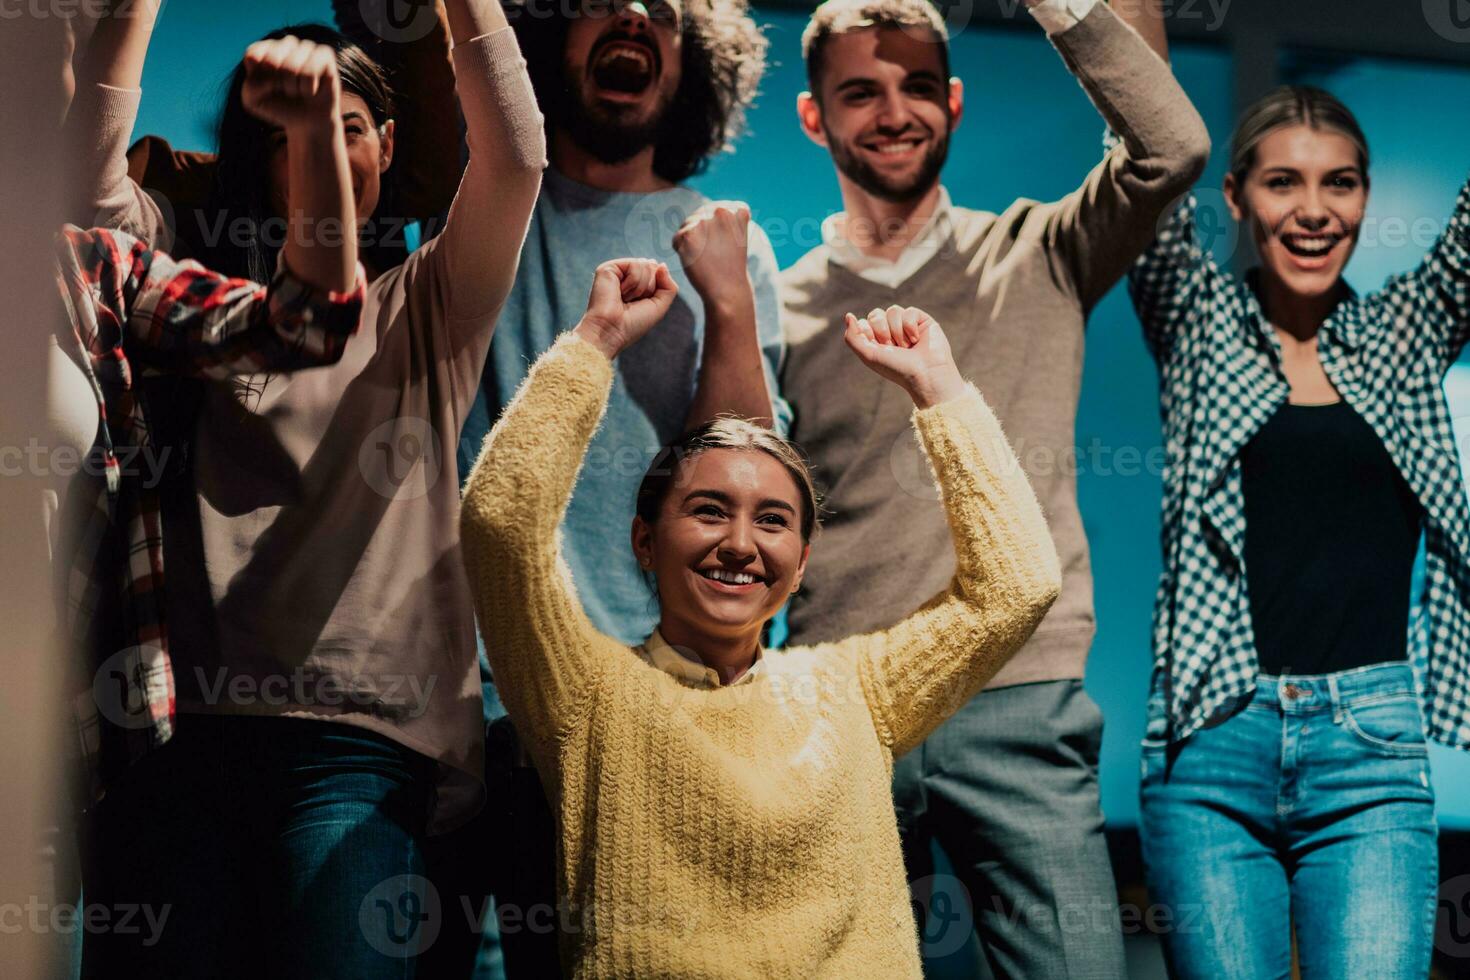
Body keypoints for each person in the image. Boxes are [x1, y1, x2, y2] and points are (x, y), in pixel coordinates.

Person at [72, 0, 544, 975]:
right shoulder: (189, 303)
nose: (319, 144)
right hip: (178, 738)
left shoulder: (426, 302)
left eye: (347, 122)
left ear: (389, 146)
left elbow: (516, 159)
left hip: (359, 744)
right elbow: (88, 188)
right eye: (291, 122)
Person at [458, 256, 1062, 979]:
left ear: (801, 563)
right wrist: (594, 342)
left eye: (772, 521)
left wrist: (940, 391)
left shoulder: (855, 691)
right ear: (644, 540)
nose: (741, 544)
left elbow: (1016, 588)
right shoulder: (585, 692)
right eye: (709, 510)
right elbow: (501, 521)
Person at [778, 0, 1209, 975]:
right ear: (814, 117)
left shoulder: (1041, 250)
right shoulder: (780, 300)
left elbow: (1172, 145)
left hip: (1020, 693)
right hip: (848, 703)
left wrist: (1061, 9)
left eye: (918, 87)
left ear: (955, 102)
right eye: (861, 91)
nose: (894, 112)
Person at [440, 0, 785, 972]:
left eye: (668, 15)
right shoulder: (488, 203)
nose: (634, 17)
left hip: (640, 703)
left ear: (692, 62)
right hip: (464, 699)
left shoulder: (725, 240)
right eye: (600, 2)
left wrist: (725, 302)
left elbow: (746, 466)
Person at [1127, 36, 1470, 980]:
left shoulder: (1404, 330)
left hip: (1371, 752)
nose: (1314, 211)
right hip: (1210, 745)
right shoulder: (1198, 322)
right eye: (1283, 184)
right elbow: (1146, 145)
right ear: (1236, 198)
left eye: (1341, 184)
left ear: (1365, 197)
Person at [70, 0, 461, 271]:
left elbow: (505, 158)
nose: (328, 160)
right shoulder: (202, 276)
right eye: (285, 139)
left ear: (386, 146)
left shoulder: (428, 281)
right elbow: (92, 182)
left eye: (350, 130)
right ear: (257, 163)